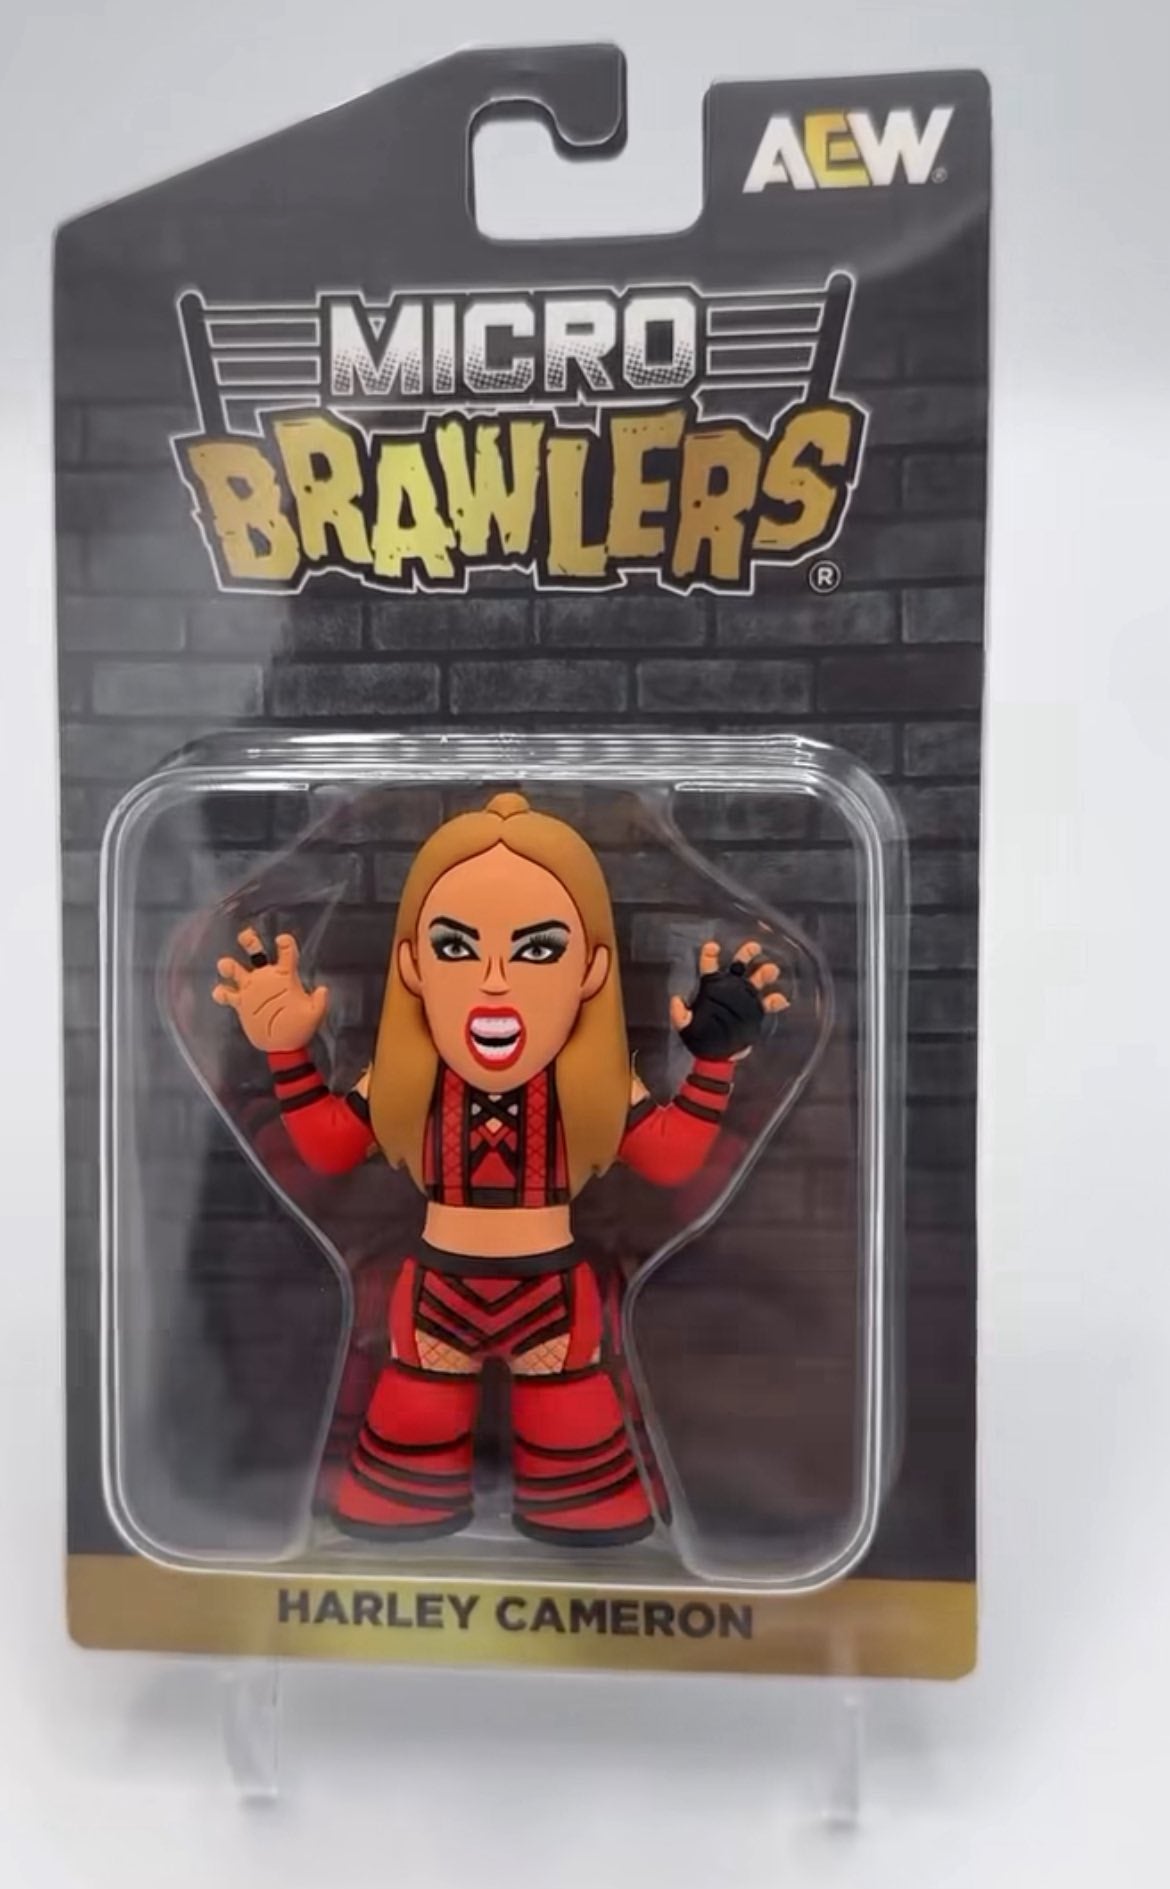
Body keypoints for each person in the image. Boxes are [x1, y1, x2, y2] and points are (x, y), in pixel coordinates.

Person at [212, 792, 785, 1547]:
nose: (493, 979)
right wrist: (286, 1051)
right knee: (414, 1423)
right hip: (436, 1290)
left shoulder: (594, 1088)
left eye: (537, 950)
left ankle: (577, 1507)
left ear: (590, 969)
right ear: (414, 964)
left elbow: (671, 1158)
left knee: (573, 1432)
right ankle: (408, 1500)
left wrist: (715, 1062)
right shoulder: (407, 1084)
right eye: (455, 947)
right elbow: (325, 1150)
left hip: (552, 1292)